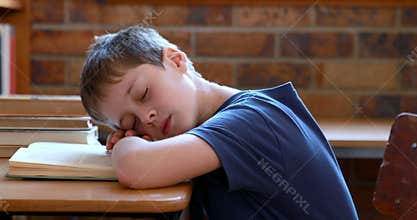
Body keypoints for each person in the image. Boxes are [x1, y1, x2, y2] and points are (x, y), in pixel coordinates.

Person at [79, 25, 359, 219]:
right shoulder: (210, 129)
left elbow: (135, 169)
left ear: (176, 61)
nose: (146, 118)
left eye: (144, 93)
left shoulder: (251, 120)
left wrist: (127, 145)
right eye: (130, 123)